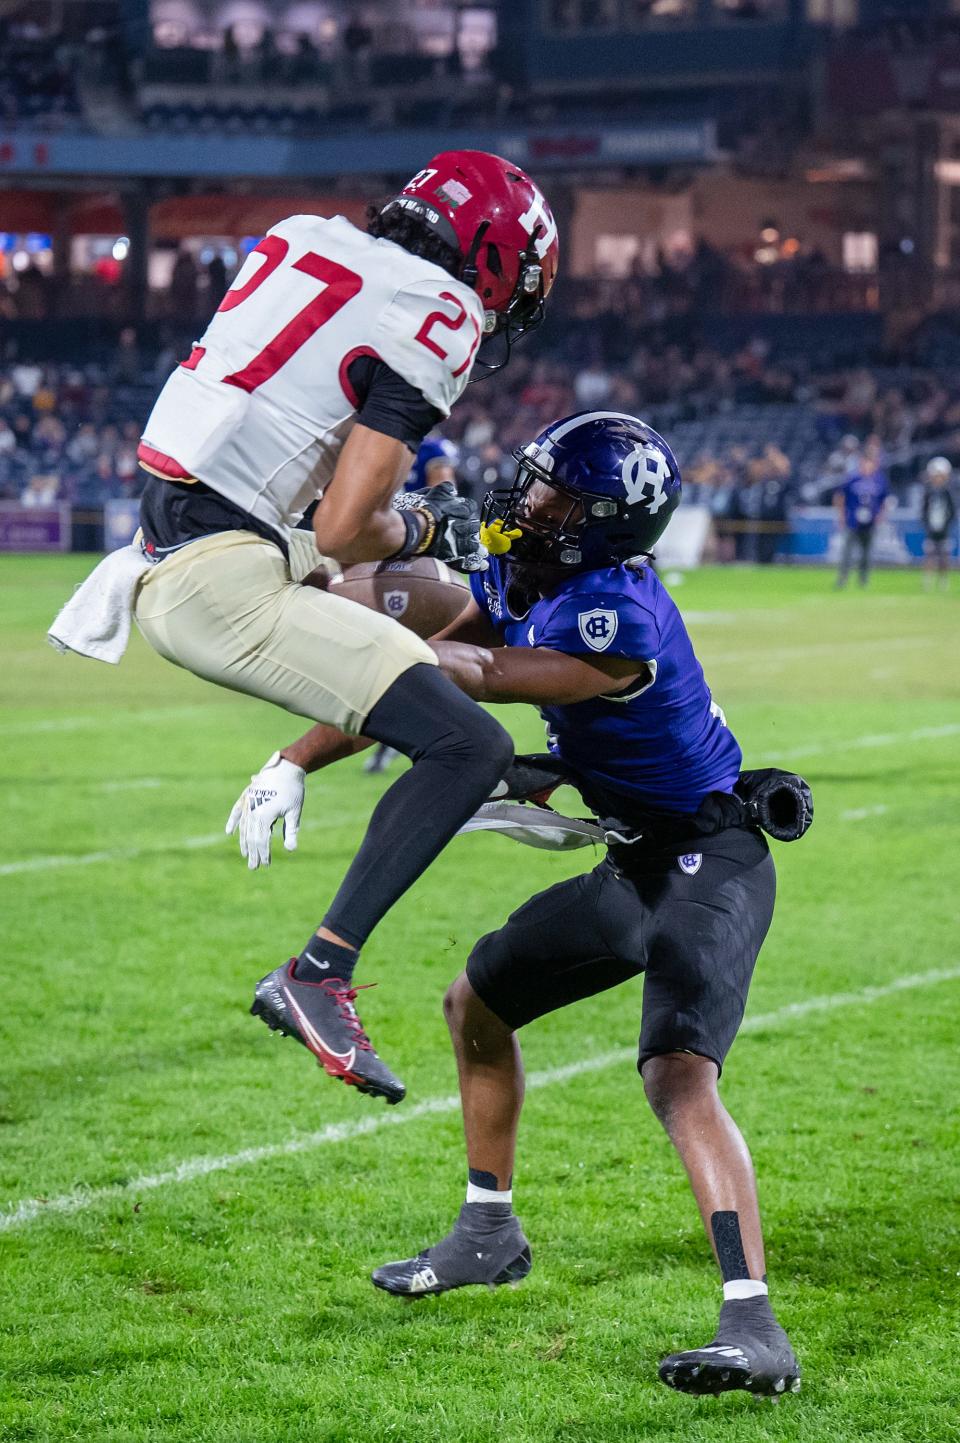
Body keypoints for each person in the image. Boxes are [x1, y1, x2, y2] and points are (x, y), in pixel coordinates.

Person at [243, 412, 810, 1398]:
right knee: (478, 1001)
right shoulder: (532, 573)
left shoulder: (615, 618)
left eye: (555, 491)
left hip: (709, 865)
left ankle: (755, 1326)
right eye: (535, 475)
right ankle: (487, 1232)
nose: (527, 496)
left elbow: (472, 675)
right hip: (631, 863)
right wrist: (291, 759)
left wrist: (344, 622)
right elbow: (424, 676)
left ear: (602, 523)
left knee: (678, 1077)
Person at [128, 152, 559, 1106]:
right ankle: (318, 972)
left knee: (443, 618)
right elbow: (346, 525)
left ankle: (510, 786)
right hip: (223, 574)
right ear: (490, 259)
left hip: (185, 538)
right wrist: (419, 521)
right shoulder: (437, 313)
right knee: (464, 738)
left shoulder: (302, 237)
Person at [366, 435, 465, 775]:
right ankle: (396, 738)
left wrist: (408, 513)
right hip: (385, 552)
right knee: (391, 650)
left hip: (422, 556)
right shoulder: (379, 440)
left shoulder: (433, 450)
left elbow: (446, 496)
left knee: (421, 650)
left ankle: (427, 735)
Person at [834, 443, 890, 588]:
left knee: (866, 554)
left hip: (870, 522)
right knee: (847, 552)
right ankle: (843, 579)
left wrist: (881, 516)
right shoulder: (852, 478)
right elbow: (840, 497)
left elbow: (885, 500)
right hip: (852, 520)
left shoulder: (879, 480)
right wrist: (841, 515)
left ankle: (863, 580)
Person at [921, 456, 956, 592]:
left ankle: (943, 580)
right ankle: (927, 580)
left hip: (944, 529)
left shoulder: (947, 492)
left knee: (944, 557)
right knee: (929, 555)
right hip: (931, 529)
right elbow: (923, 511)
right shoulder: (929, 492)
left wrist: (946, 525)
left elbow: (952, 512)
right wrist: (927, 525)